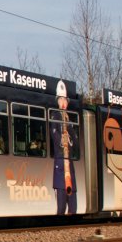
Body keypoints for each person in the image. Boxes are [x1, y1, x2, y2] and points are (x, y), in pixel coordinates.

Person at [50, 80, 77, 215]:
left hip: (69, 163)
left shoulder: (68, 119)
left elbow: (75, 138)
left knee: (73, 204)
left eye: (65, 99)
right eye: (61, 99)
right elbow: (54, 133)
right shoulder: (55, 116)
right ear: (58, 101)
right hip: (60, 162)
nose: (63, 102)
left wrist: (70, 141)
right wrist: (62, 141)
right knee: (61, 205)